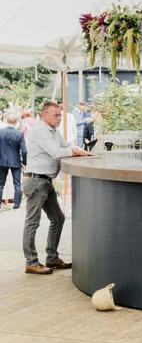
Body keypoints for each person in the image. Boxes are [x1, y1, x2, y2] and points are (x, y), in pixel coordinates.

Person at [22, 100, 90, 275]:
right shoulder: (40, 131)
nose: (60, 118)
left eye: (60, 114)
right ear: (45, 115)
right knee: (32, 223)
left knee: (58, 218)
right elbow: (56, 152)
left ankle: (52, 258)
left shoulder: (52, 130)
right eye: (56, 115)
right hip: (36, 181)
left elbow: (65, 146)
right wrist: (75, 151)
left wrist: (77, 149)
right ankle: (31, 262)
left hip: (45, 181)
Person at [0, 111, 27, 210]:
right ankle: (16, 205)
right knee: (17, 184)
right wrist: (24, 162)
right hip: (15, 161)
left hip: (2, 161)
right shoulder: (19, 134)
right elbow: (24, 150)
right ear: (16, 122)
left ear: (6, 120)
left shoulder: (1, 132)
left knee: (0, 184)